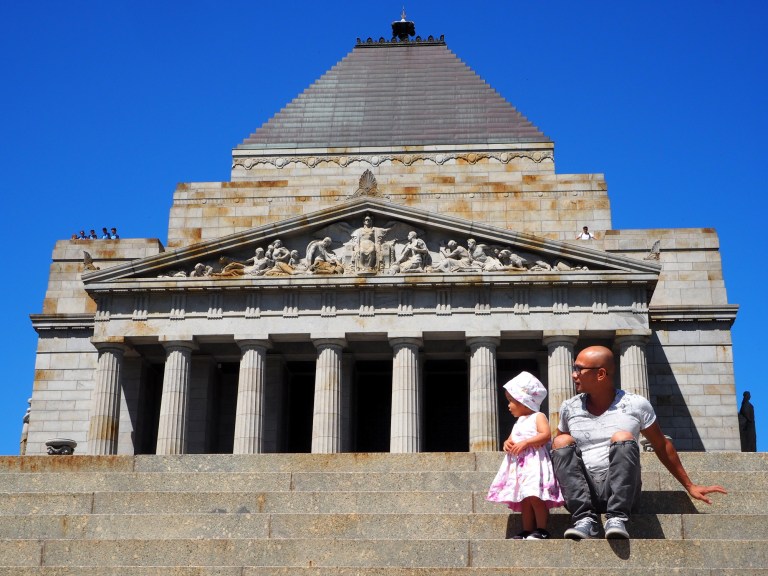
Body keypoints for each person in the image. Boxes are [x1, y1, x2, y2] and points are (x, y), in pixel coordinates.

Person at [551, 345, 727, 540]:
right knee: (560, 440)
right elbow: (559, 454)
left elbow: (661, 445)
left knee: (623, 437)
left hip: (622, 490)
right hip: (583, 490)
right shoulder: (569, 407)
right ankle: (585, 520)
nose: (573, 374)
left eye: (578, 369)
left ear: (601, 374)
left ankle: (617, 517)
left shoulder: (636, 404)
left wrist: (689, 485)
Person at [487, 372, 564, 540]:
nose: (508, 406)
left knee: (535, 496)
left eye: (511, 401)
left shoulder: (538, 416)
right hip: (519, 465)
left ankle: (542, 529)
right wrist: (507, 443)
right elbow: (512, 438)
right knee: (524, 499)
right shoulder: (519, 421)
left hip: (534, 463)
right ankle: (527, 530)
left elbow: (546, 435)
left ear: (524, 401)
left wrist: (527, 443)